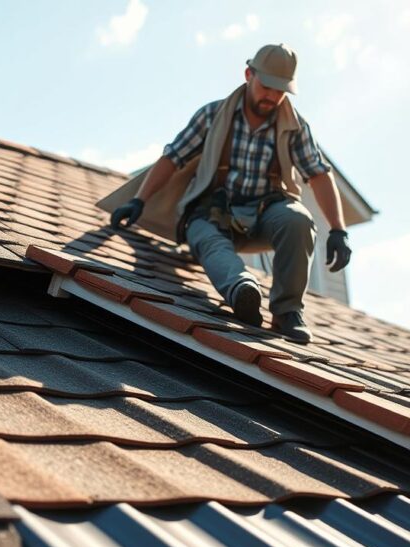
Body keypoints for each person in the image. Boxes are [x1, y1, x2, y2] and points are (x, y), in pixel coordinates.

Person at [109, 43, 351, 344]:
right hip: (210, 214)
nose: (273, 97)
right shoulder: (213, 115)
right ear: (249, 74)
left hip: (266, 214)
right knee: (209, 240)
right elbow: (173, 158)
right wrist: (138, 200)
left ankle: (287, 312)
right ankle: (242, 291)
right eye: (267, 87)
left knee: (299, 221)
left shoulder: (295, 127)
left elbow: (318, 175)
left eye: (281, 91)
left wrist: (339, 231)